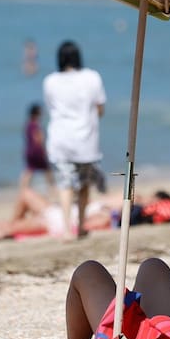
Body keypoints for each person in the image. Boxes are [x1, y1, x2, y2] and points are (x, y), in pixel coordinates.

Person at [44, 41, 107, 239]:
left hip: (60, 140)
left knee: (65, 185)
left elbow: (51, 109)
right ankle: (80, 226)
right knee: (85, 185)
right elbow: (100, 108)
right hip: (86, 141)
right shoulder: (92, 77)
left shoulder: (51, 81)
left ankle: (65, 229)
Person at [21, 103, 54, 193]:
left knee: (29, 170)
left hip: (29, 151)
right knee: (47, 170)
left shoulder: (28, 124)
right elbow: (38, 139)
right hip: (37, 152)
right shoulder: (36, 125)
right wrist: (44, 150)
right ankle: (52, 189)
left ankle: (23, 189)